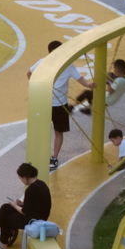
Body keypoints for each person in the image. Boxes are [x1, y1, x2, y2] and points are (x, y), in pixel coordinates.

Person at [0, 163, 52, 249]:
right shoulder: (41, 184)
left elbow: (24, 212)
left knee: (7, 218)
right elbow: (36, 204)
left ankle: (3, 248)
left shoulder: (30, 190)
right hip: (40, 216)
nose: (21, 180)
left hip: (34, 220)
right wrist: (22, 204)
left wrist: (14, 205)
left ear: (25, 177)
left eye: (20, 178)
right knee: (5, 207)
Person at [38, 40, 76, 169]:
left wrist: (89, 85)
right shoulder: (43, 62)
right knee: (41, 130)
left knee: (58, 131)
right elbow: (30, 73)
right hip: (44, 103)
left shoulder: (69, 66)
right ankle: (41, 155)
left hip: (60, 104)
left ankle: (54, 158)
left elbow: (80, 78)